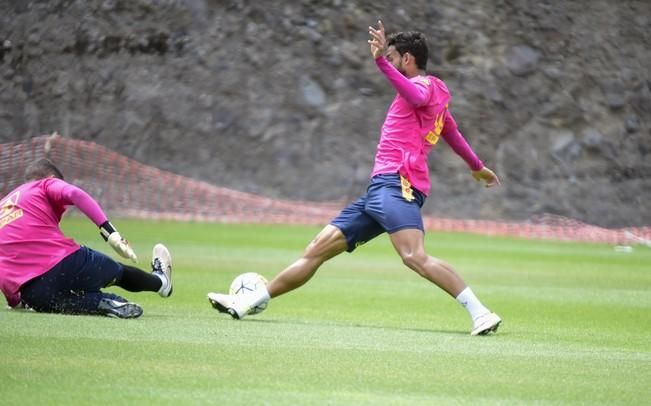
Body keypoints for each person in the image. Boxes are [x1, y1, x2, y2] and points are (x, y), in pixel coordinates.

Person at [208, 21, 502, 335]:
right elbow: (452, 133)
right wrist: (476, 166)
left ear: (407, 59)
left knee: (414, 256)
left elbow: (417, 97)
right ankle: (247, 302)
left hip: (398, 184)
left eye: (391, 56)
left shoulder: (426, 87)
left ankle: (480, 312)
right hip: (380, 191)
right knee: (316, 250)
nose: (387, 61)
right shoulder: (432, 101)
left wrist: (378, 62)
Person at [0, 158, 173, 318]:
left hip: (34, 293)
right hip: (66, 263)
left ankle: (101, 302)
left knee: (56, 301)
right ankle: (161, 282)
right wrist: (109, 231)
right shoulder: (43, 185)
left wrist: (15, 301)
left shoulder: (5, 205)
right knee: (118, 274)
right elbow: (75, 194)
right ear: (52, 178)